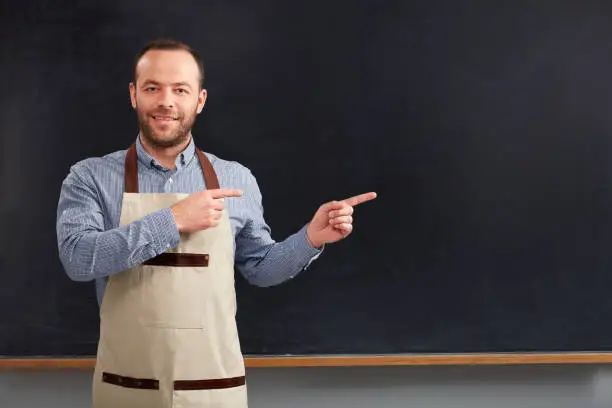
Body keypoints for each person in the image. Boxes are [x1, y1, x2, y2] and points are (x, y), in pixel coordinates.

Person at [56, 38, 376, 408]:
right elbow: (78, 259)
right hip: (125, 389)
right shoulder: (90, 177)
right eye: (152, 88)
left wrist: (310, 238)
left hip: (215, 389)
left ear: (200, 100)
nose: (166, 101)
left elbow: (260, 268)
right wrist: (173, 221)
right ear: (133, 94)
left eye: (180, 89)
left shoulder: (235, 179)